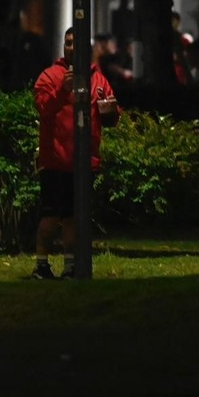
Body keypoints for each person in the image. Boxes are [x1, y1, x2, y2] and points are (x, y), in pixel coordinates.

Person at [32, 27, 120, 280]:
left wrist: (111, 112)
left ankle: (70, 267)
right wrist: (62, 89)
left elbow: (111, 117)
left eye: (76, 43)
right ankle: (41, 265)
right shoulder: (50, 76)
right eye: (68, 43)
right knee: (50, 216)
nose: (72, 48)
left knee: (73, 217)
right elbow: (42, 108)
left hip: (84, 162)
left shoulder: (98, 79)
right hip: (56, 160)